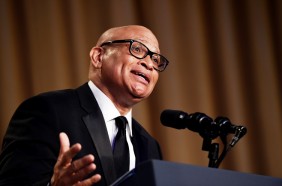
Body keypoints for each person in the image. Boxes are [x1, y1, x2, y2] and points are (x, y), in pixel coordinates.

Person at [0, 25, 169, 186]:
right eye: (137, 49)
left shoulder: (149, 146)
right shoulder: (46, 111)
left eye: (156, 59)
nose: (149, 64)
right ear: (98, 57)